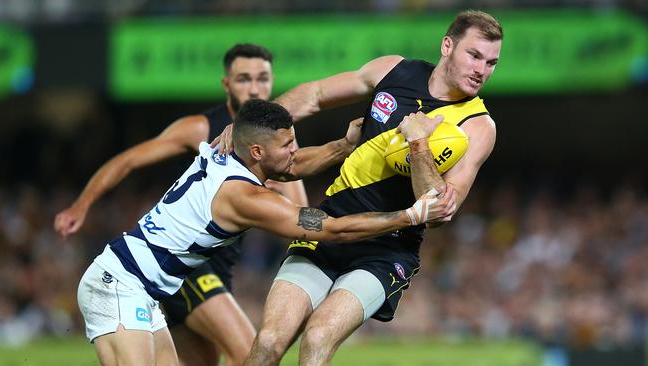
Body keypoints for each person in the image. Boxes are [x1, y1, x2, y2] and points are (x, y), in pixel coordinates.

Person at [76, 99, 452, 366]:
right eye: (287, 144)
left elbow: (290, 166)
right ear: (256, 150)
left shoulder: (225, 153)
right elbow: (332, 229)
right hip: (120, 286)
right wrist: (407, 216)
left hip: (138, 286)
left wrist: (344, 145)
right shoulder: (244, 196)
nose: (295, 149)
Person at [238, 10, 503, 366]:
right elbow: (315, 94)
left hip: (387, 250)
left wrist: (419, 145)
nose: (481, 70)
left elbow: (439, 211)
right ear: (447, 45)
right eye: (474, 55)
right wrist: (249, 127)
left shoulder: (477, 126)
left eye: (491, 63)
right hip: (329, 223)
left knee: (318, 337)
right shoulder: (394, 70)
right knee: (269, 341)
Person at [54, 44, 307, 366]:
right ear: (226, 85)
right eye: (244, 79)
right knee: (249, 352)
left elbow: (297, 217)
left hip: (217, 265)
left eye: (262, 78)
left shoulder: (277, 140)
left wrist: (278, 181)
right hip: (187, 267)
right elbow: (130, 160)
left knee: (202, 361)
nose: (255, 88)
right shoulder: (201, 128)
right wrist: (82, 204)